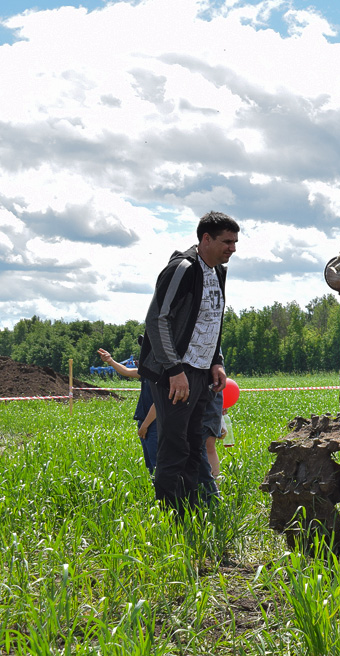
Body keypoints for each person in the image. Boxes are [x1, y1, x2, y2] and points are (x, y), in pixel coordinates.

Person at [139, 211, 239, 512]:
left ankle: (191, 509)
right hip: (175, 374)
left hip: (201, 373)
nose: (232, 249)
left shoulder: (218, 271)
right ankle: (170, 515)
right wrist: (174, 369)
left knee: (196, 442)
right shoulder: (182, 268)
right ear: (205, 239)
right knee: (175, 444)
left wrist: (216, 361)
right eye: (227, 242)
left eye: (235, 242)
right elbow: (157, 320)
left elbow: (211, 321)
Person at [97, 346, 222, 488]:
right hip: (146, 422)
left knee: (159, 464)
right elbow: (126, 371)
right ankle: (161, 493)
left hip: (154, 423)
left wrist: (145, 425)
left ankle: (170, 495)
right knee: (152, 465)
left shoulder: (165, 373)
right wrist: (110, 361)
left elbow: (158, 404)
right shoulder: (149, 371)